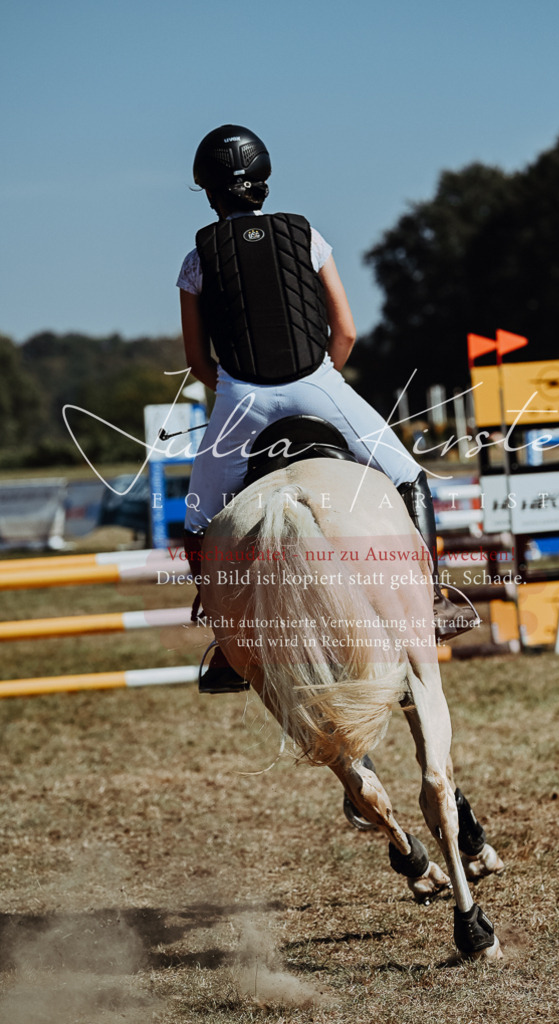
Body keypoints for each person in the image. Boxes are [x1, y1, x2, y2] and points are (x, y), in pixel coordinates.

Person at [177, 124, 476, 690]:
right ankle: (433, 600)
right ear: (263, 183)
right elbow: (348, 331)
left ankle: (223, 634)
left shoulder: (196, 259)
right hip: (319, 384)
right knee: (410, 474)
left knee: (197, 515)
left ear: (210, 190)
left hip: (241, 398)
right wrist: (322, 379)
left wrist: (241, 389)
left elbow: (197, 361)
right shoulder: (307, 235)